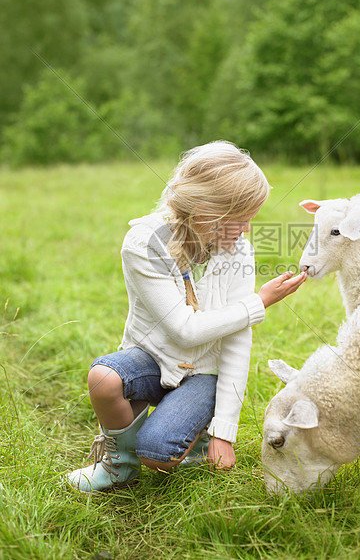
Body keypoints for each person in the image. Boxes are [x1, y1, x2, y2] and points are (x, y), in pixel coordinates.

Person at [67, 141, 307, 493]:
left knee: (158, 453)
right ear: (207, 214)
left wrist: (223, 432)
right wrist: (259, 303)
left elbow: (238, 345)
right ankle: (118, 466)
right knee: (104, 379)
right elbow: (184, 330)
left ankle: (195, 435)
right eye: (241, 219)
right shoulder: (143, 243)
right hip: (154, 359)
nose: (247, 231)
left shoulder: (237, 250)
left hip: (205, 374)